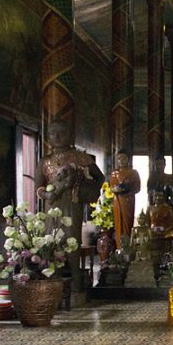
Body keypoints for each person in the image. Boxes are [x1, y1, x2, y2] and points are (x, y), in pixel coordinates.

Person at [35, 120, 105, 291]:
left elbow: (100, 177)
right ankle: (54, 284)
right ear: (48, 136)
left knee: (71, 242)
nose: (57, 137)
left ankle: (75, 285)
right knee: (51, 243)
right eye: (53, 133)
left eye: (61, 132)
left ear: (71, 135)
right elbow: (38, 187)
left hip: (72, 204)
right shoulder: (45, 161)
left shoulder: (79, 157)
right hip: (51, 206)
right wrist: (47, 194)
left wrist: (84, 186)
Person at [109, 151, 142, 249]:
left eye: (124, 158)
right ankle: (119, 246)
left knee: (127, 222)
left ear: (128, 159)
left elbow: (137, 188)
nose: (121, 161)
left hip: (128, 200)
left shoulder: (133, 173)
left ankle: (127, 246)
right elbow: (111, 187)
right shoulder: (114, 173)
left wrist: (128, 191)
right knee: (118, 223)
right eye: (119, 159)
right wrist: (116, 189)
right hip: (117, 200)